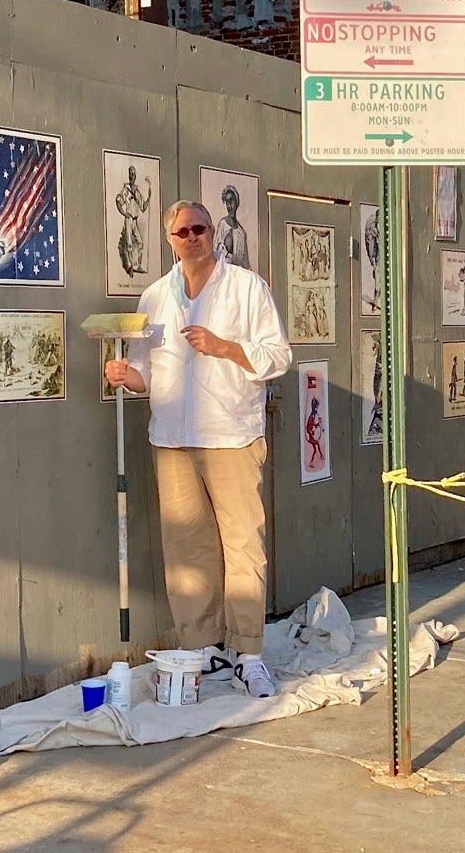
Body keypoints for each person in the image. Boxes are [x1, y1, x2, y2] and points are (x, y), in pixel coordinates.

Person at [105, 200, 292, 699]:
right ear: (169, 239)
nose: (192, 237)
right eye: (182, 231)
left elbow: (279, 356)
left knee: (242, 544)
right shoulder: (154, 297)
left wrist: (225, 346)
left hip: (231, 432)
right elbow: (148, 372)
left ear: (214, 233)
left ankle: (249, 653)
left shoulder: (246, 288)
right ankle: (203, 645)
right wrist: (127, 378)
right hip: (171, 436)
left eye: (199, 229)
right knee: (187, 549)